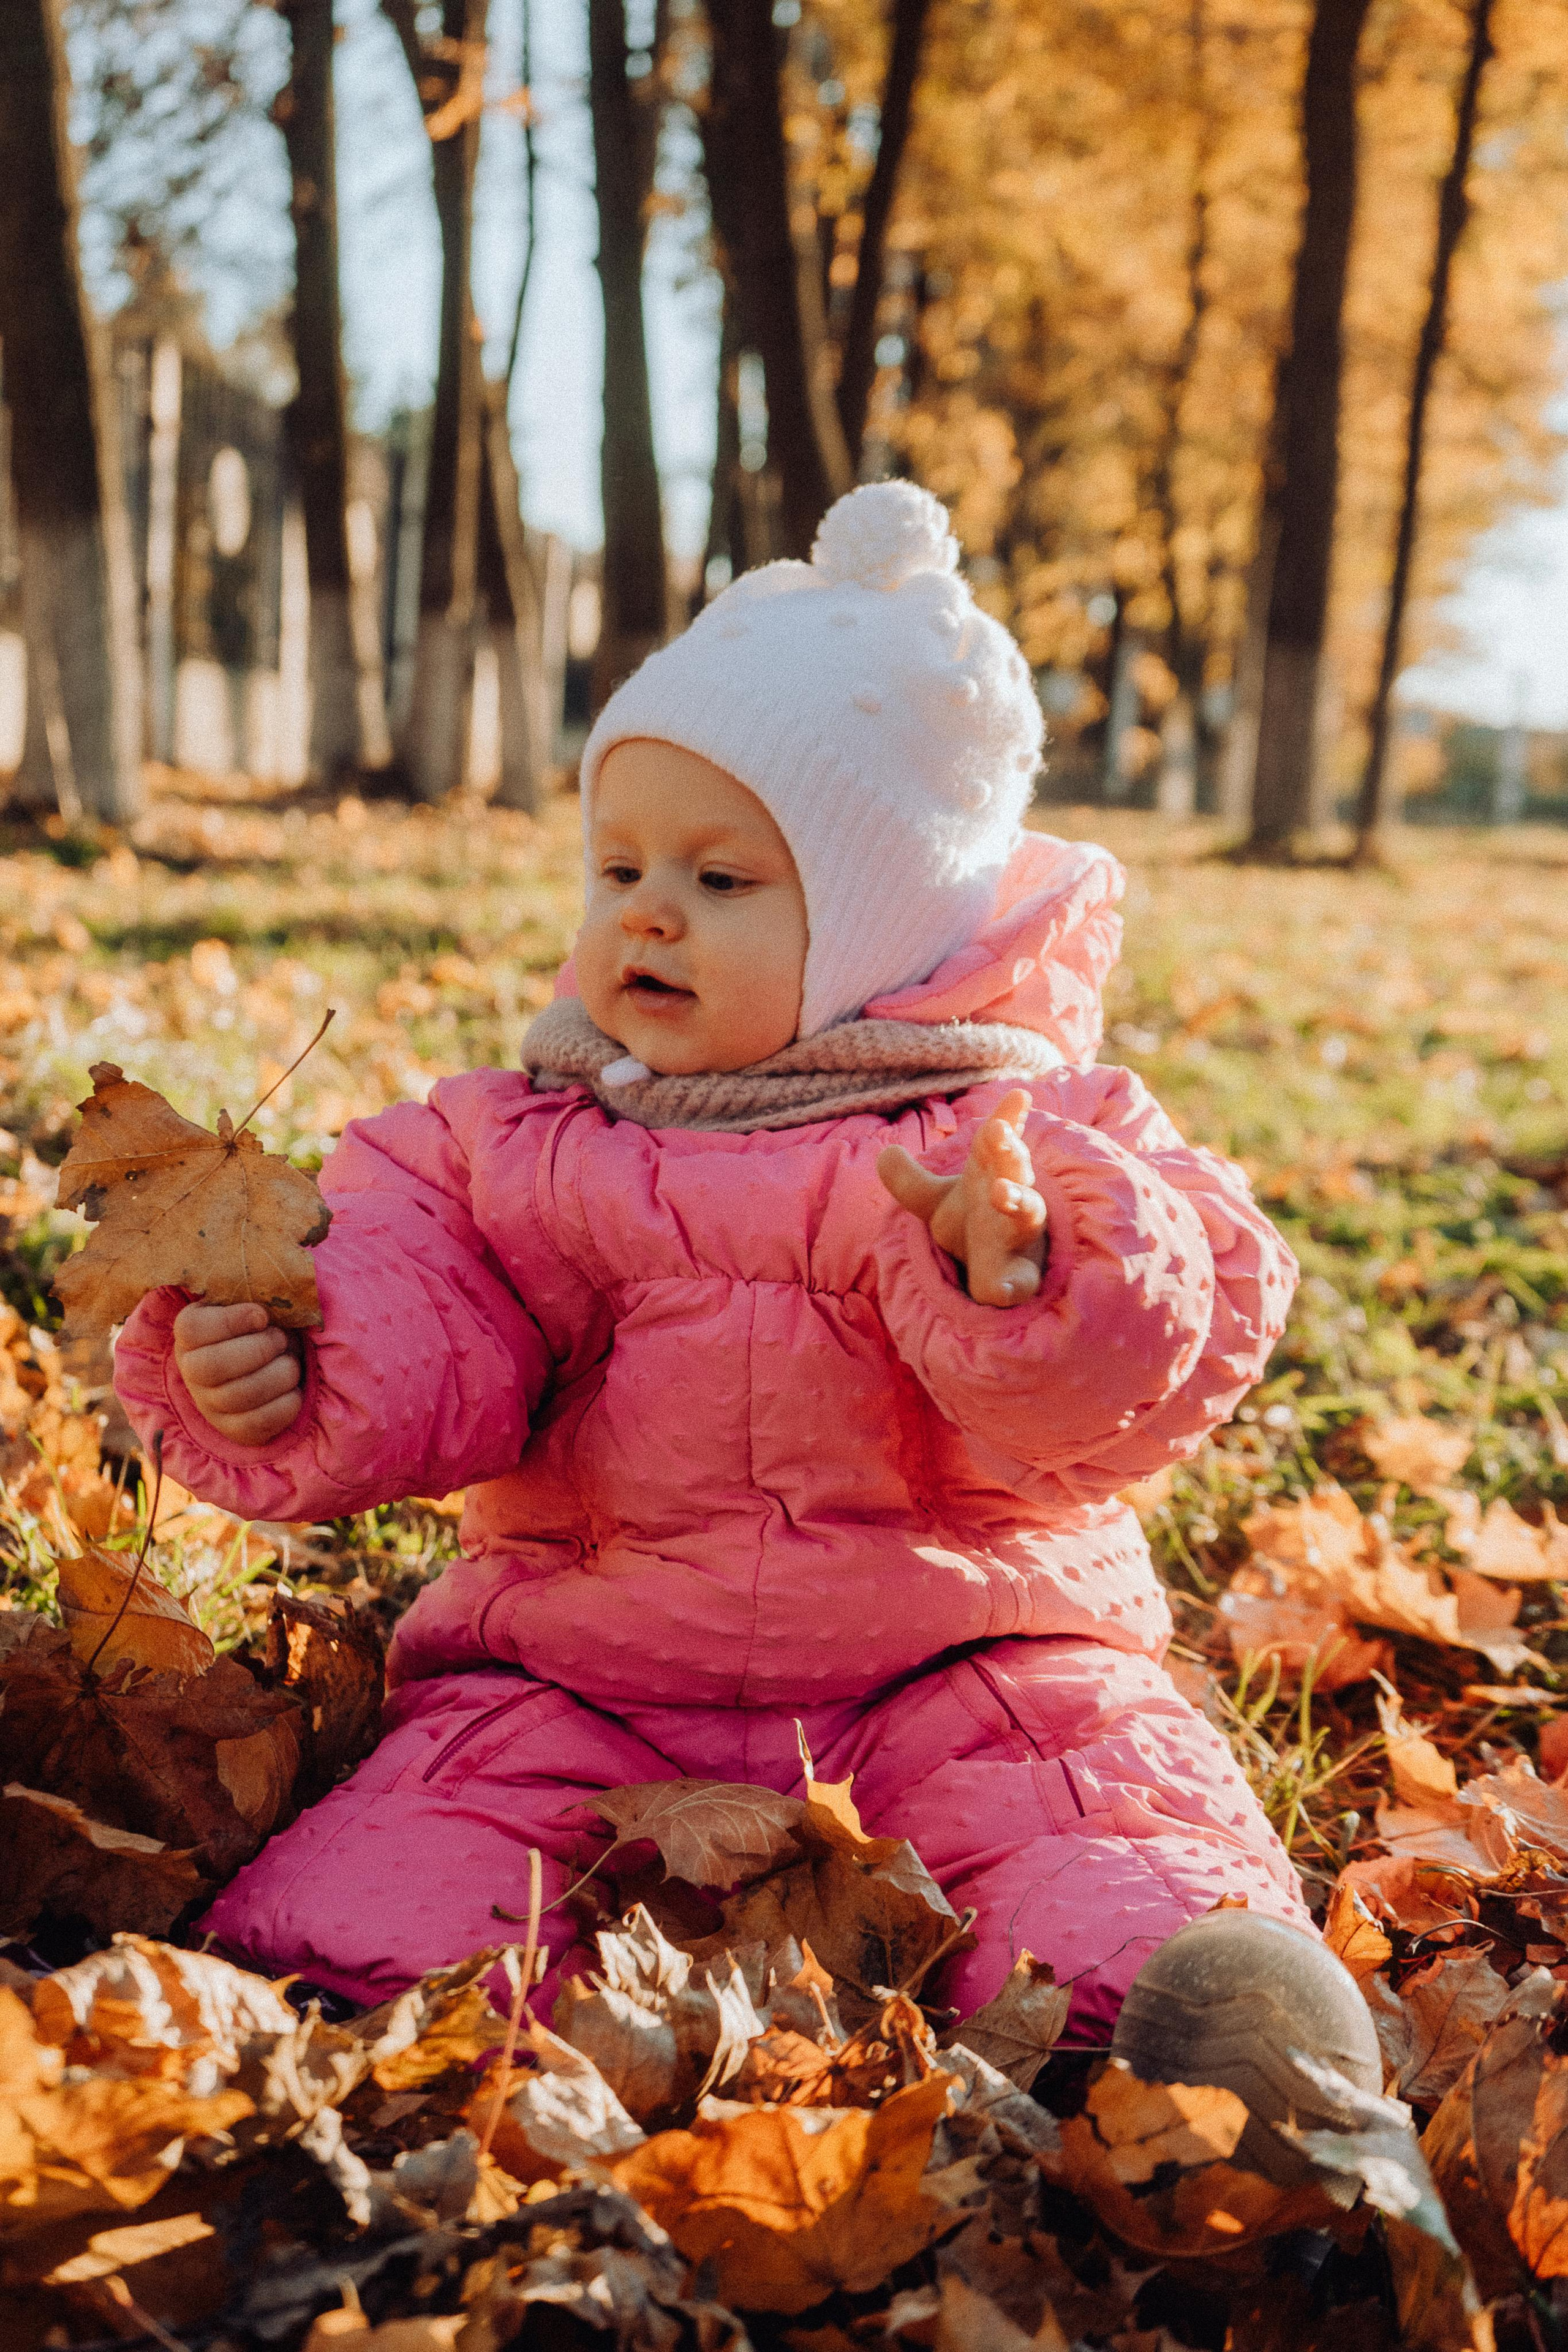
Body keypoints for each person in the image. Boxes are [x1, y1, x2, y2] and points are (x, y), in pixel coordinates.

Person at [113, 481, 1313, 2036]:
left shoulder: (1019, 1136)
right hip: (586, 1668)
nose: (649, 918)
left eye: (720, 879)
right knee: (419, 1852)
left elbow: (1172, 1332)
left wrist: (1026, 1275)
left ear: (882, 926)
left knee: (1086, 1817)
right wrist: (290, 1357)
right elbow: (419, 1307)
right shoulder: (508, 1142)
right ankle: (350, 2016)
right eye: (618, 871)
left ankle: (1193, 2021)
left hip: (963, 1659)